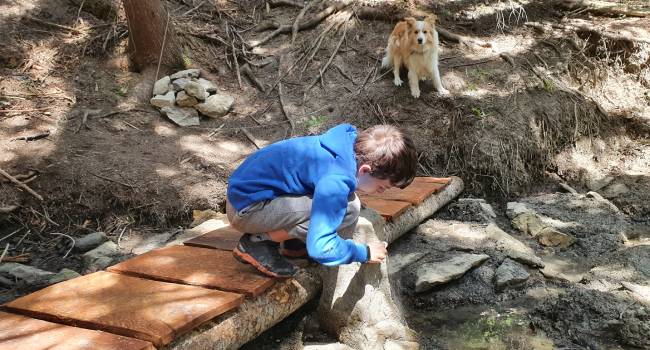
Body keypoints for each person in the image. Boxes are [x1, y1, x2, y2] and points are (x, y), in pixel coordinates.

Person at [226, 123, 418, 278]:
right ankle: (258, 242)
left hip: (250, 196)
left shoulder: (346, 144)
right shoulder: (335, 180)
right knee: (349, 208)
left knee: (344, 203)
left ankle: (293, 245)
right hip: (246, 209)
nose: (381, 193)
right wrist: (363, 253)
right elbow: (322, 248)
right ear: (365, 170)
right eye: (382, 187)